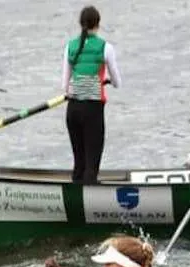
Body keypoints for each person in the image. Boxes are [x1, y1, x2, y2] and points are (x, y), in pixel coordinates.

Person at [62, 5, 120, 185]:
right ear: (98, 24)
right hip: (92, 109)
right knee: (91, 166)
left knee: (79, 164)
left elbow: (65, 86)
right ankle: (89, 205)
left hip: (73, 109)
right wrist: (108, 80)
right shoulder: (106, 47)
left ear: (81, 24)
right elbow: (118, 82)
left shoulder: (70, 46)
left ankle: (74, 200)